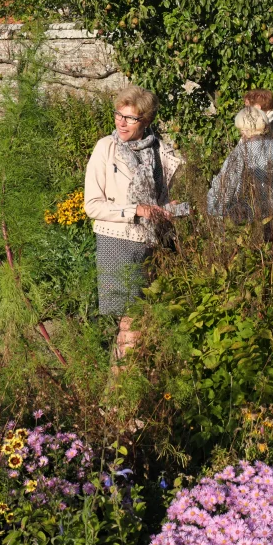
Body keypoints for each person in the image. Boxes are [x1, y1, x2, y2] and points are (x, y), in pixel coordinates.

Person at [84, 86, 188, 359]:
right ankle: (119, 393)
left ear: (147, 121)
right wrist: (135, 210)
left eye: (130, 118)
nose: (121, 122)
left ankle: (130, 387)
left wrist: (171, 209)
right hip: (117, 242)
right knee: (132, 322)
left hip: (153, 243)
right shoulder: (106, 148)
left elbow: (168, 204)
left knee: (148, 321)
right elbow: (92, 206)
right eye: (119, 114)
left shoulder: (160, 152)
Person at [207, 107, 273, 222]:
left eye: (241, 129)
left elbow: (226, 184)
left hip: (246, 215)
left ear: (246, 129)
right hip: (272, 214)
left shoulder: (242, 153)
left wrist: (212, 206)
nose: (240, 133)